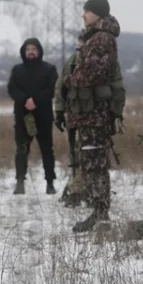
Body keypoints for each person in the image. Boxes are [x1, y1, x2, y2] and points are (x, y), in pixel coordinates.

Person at [65, 0, 122, 232]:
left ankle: (101, 213)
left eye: (87, 11)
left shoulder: (100, 39)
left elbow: (94, 72)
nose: (83, 15)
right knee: (90, 162)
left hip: (94, 114)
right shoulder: (95, 36)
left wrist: (71, 79)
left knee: (95, 162)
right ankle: (98, 210)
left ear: (98, 13)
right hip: (89, 113)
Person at [7, 38, 59, 195]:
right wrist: (25, 101)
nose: (31, 51)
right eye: (28, 49)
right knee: (21, 150)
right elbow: (12, 88)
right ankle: (20, 183)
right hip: (23, 116)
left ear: (39, 51)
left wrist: (35, 101)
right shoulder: (17, 70)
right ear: (23, 51)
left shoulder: (49, 69)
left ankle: (50, 183)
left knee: (47, 150)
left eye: (34, 49)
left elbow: (52, 89)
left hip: (43, 115)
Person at [55, 36, 85, 207]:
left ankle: (78, 190)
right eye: (79, 41)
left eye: (84, 41)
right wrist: (59, 112)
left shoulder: (95, 61)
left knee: (85, 153)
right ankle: (74, 187)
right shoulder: (71, 62)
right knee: (74, 153)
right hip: (72, 114)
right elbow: (60, 88)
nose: (80, 45)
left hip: (90, 115)